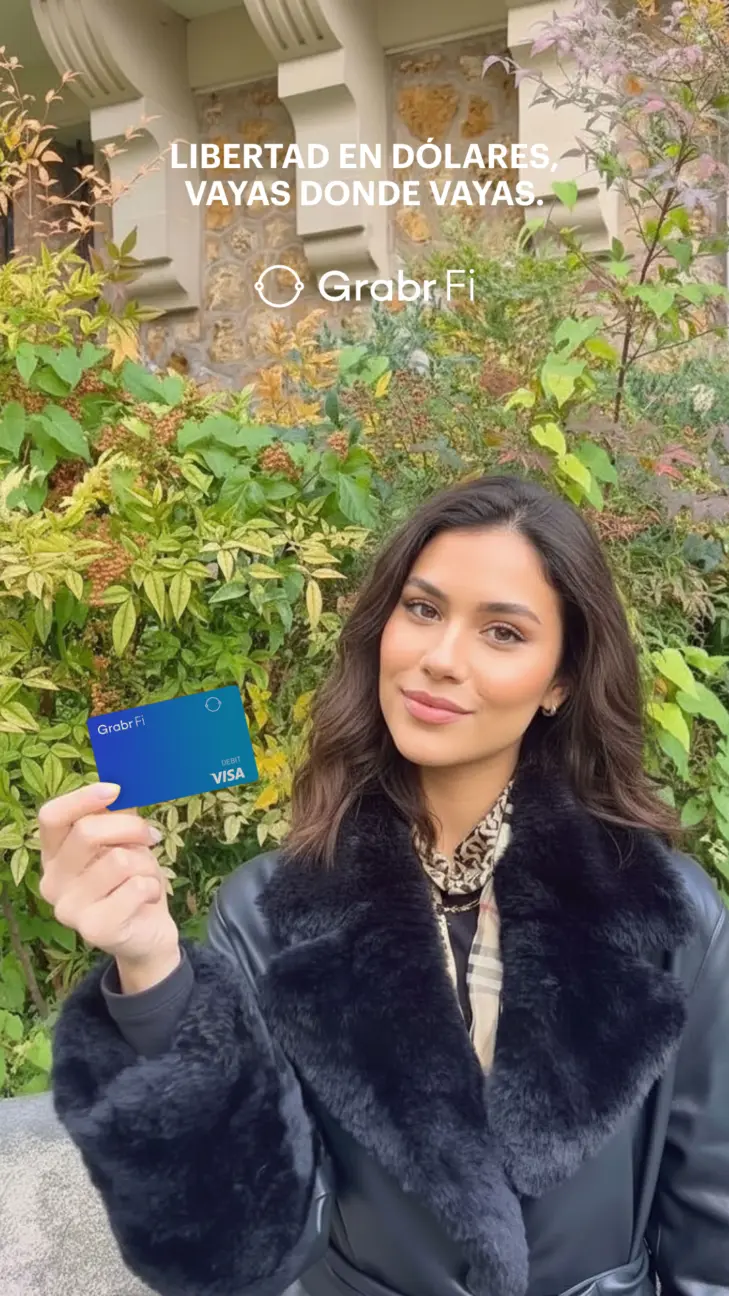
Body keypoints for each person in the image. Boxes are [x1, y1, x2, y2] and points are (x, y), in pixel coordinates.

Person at [40, 473, 729, 1296]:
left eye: (502, 632)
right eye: (422, 609)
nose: (439, 659)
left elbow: (711, 1232)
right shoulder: (267, 915)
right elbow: (233, 1249)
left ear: (560, 681)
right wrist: (149, 969)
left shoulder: (667, 914)